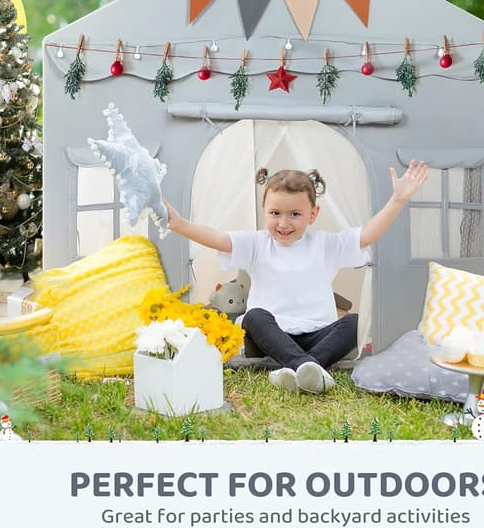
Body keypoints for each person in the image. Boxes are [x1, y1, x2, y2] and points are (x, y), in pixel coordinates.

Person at [165, 159, 428, 394]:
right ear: (264, 210)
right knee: (255, 315)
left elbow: (367, 235)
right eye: (275, 213)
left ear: (313, 215)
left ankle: (296, 368)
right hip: (270, 337)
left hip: (317, 334)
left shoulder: (325, 244)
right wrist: (179, 224)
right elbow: (219, 239)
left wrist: (398, 200)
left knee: (354, 323)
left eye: (295, 214)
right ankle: (307, 366)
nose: (283, 223)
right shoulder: (257, 243)